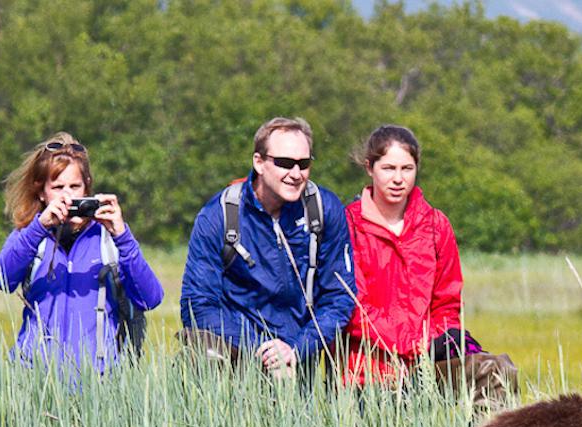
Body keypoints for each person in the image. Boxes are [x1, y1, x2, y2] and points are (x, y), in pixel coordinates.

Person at [179, 117, 354, 378]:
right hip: (237, 355)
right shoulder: (219, 215)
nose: (296, 174)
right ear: (258, 162)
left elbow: (340, 296)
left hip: (298, 357)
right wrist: (260, 349)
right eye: (284, 163)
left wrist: (297, 348)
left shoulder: (324, 209)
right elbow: (197, 304)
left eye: (304, 164)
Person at [0, 132, 163, 372]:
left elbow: (150, 298)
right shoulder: (30, 235)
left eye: (74, 186)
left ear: (87, 188)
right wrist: (39, 227)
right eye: (57, 187)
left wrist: (122, 237)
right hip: (35, 379)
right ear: (41, 192)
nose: (67, 195)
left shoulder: (107, 238)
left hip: (98, 381)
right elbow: (0, 279)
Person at [340, 125, 465, 386]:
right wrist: (409, 342)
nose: (398, 179)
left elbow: (447, 304)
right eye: (388, 168)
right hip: (363, 376)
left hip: (425, 372)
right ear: (369, 168)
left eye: (407, 169)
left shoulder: (436, 226)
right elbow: (351, 306)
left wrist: (429, 343)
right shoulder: (347, 225)